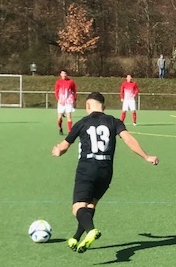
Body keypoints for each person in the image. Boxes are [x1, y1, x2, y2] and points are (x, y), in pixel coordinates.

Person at [52, 92, 159, 253]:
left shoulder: (82, 123)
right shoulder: (114, 121)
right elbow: (129, 140)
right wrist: (146, 156)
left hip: (87, 169)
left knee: (77, 208)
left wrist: (58, 150)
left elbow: (64, 146)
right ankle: (76, 237)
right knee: (90, 205)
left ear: (87, 106)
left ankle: (91, 231)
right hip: (106, 171)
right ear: (104, 107)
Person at [54, 69, 77, 135]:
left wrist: (74, 100)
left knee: (69, 117)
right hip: (61, 102)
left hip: (68, 102)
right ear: (60, 74)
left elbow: (74, 91)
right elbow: (56, 91)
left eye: (65, 73)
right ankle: (60, 128)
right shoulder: (58, 82)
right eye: (62, 73)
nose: (64, 75)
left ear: (67, 74)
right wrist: (58, 99)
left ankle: (70, 132)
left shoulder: (71, 82)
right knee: (59, 118)